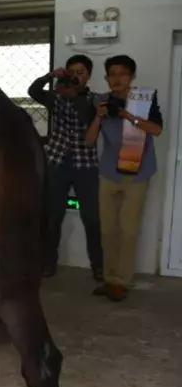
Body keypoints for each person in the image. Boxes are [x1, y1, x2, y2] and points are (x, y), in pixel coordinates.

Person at [84, 54, 163, 301]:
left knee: (128, 229)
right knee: (107, 228)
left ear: (131, 77)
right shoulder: (100, 101)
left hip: (138, 172)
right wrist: (98, 115)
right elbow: (89, 140)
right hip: (109, 172)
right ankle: (109, 279)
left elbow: (157, 130)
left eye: (123, 74)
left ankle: (122, 281)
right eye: (112, 74)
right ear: (106, 78)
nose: (117, 79)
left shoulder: (144, 99)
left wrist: (129, 115)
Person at [27, 54, 102, 279]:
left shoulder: (95, 100)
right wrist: (50, 76)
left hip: (85, 163)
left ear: (89, 76)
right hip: (57, 161)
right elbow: (33, 91)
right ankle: (48, 263)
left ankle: (98, 265)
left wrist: (75, 94)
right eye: (73, 72)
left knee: (91, 217)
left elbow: (86, 116)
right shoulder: (56, 97)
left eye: (81, 72)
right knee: (53, 216)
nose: (76, 76)